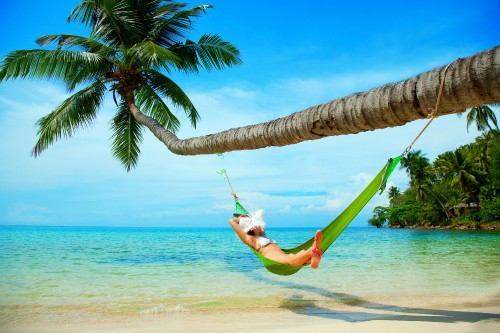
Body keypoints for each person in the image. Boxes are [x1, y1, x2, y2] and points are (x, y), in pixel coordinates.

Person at [229, 209, 323, 269]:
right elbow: (231, 221)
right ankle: (313, 249)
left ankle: (313, 258)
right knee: (290, 259)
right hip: (272, 258)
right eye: (255, 224)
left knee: (299, 254)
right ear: (251, 227)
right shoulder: (250, 239)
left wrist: (247, 217)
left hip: (282, 255)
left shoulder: (262, 235)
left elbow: (260, 220)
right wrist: (239, 219)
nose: (259, 225)